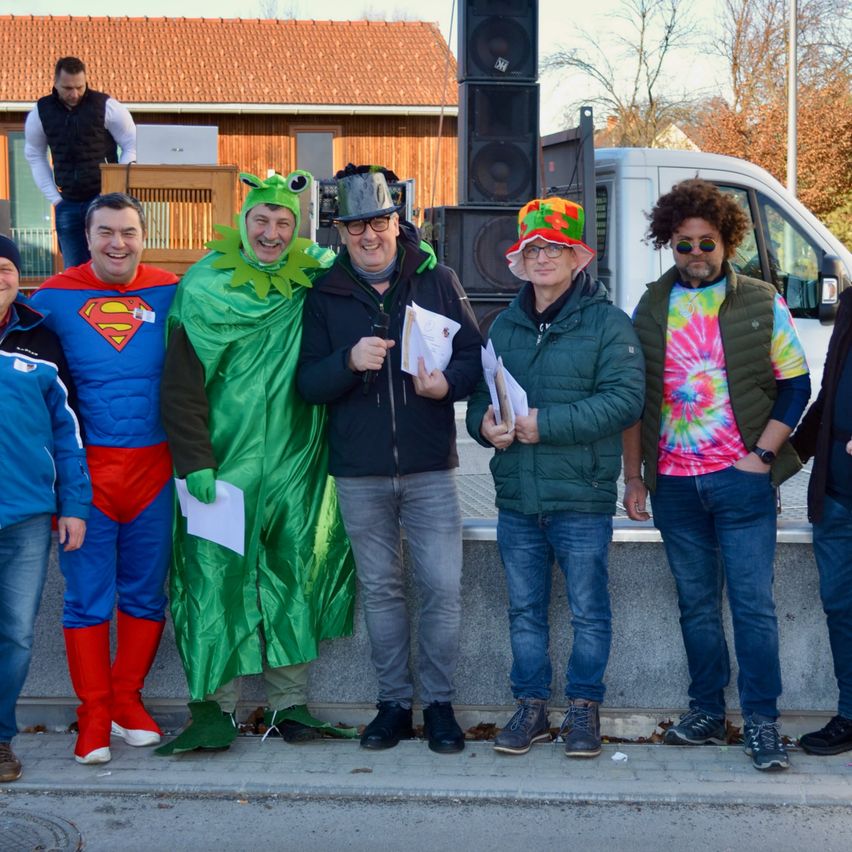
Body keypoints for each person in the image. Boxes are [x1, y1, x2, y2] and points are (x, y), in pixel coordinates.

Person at [156, 171, 358, 754]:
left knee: (295, 571)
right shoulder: (203, 285)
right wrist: (194, 457)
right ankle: (212, 708)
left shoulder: (314, 272)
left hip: (297, 461)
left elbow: (378, 267)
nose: (271, 233)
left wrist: (418, 252)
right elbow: (180, 384)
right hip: (222, 465)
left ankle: (289, 704)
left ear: (297, 229)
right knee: (213, 578)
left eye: (283, 223)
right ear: (243, 223)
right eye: (262, 221)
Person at [622, 178, 810, 772]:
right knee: (696, 605)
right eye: (684, 245)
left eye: (707, 243)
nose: (696, 255)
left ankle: (762, 723)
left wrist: (761, 456)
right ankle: (706, 711)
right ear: (668, 245)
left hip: (742, 481)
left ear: (726, 242)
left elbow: (796, 385)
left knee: (753, 605)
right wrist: (634, 479)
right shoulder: (650, 306)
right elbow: (633, 400)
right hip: (674, 484)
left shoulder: (760, 299)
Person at [297, 164, 482, 754]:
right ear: (342, 233)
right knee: (380, 591)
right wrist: (347, 362)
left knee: (442, 588)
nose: (369, 236)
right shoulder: (324, 292)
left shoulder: (438, 278)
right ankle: (393, 705)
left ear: (396, 220)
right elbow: (306, 383)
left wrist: (444, 386)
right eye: (356, 227)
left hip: (429, 466)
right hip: (360, 469)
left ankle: (442, 706)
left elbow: (476, 360)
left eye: (378, 221)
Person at [466, 198, 644, 758]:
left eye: (554, 247)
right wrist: (485, 426)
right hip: (518, 494)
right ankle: (532, 708)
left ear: (576, 258)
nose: (543, 257)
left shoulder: (608, 323)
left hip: (581, 495)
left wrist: (548, 425)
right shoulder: (505, 325)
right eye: (532, 248)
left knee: (589, 609)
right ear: (520, 260)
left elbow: (626, 401)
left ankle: (585, 710)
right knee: (523, 609)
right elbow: (480, 398)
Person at [30, 194, 179, 765]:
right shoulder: (52, 300)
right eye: (106, 232)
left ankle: (125, 698)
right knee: (87, 599)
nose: (118, 243)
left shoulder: (172, 292)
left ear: (144, 235)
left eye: (128, 232)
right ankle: (92, 711)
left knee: (145, 592)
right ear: (85, 236)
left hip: (154, 471)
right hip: (87, 477)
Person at [0, 235, 91, 782]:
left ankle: (0, 739)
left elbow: (68, 432)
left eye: (7, 267)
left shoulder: (40, 336)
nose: (0, 276)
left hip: (28, 517)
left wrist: (74, 504)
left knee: (13, 633)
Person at [790, 285, 852, 755]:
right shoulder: (850, 303)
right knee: (842, 611)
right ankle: (850, 716)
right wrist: (780, 464)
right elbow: (829, 398)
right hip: (835, 494)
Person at [25, 57, 136, 269]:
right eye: (67, 88)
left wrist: (115, 190)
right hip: (67, 202)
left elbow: (132, 144)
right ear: (55, 83)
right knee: (74, 271)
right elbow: (34, 155)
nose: (74, 94)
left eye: (79, 87)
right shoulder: (41, 112)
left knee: (109, 265)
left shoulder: (107, 106)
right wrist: (55, 199)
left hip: (104, 199)